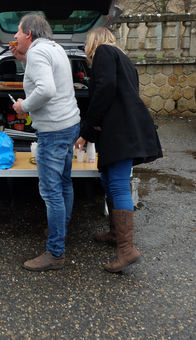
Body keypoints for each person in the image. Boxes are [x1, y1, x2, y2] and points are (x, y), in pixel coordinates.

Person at [75, 27, 163, 273]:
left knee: (118, 184)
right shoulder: (123, 58)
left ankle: (126, 249)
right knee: (106, 179)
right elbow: (116, 95)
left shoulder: (104, 51)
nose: (85, 49)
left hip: (121, 132)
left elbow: (104, 91)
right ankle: (115, 234)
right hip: (120, 130)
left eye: (85, 43)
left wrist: (85, 131)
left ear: (94, 41)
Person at [9, 14, 80, 271]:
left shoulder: (38, 54)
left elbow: (46, 89)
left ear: (29, 33)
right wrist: (23, 59)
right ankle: (59, 229)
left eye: (18, 32)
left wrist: (23, 106)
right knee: (63, 183)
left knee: (51, 192)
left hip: (53, 130)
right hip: (70, 123)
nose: (15, 36)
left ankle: (55, 253)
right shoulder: (55, 48)